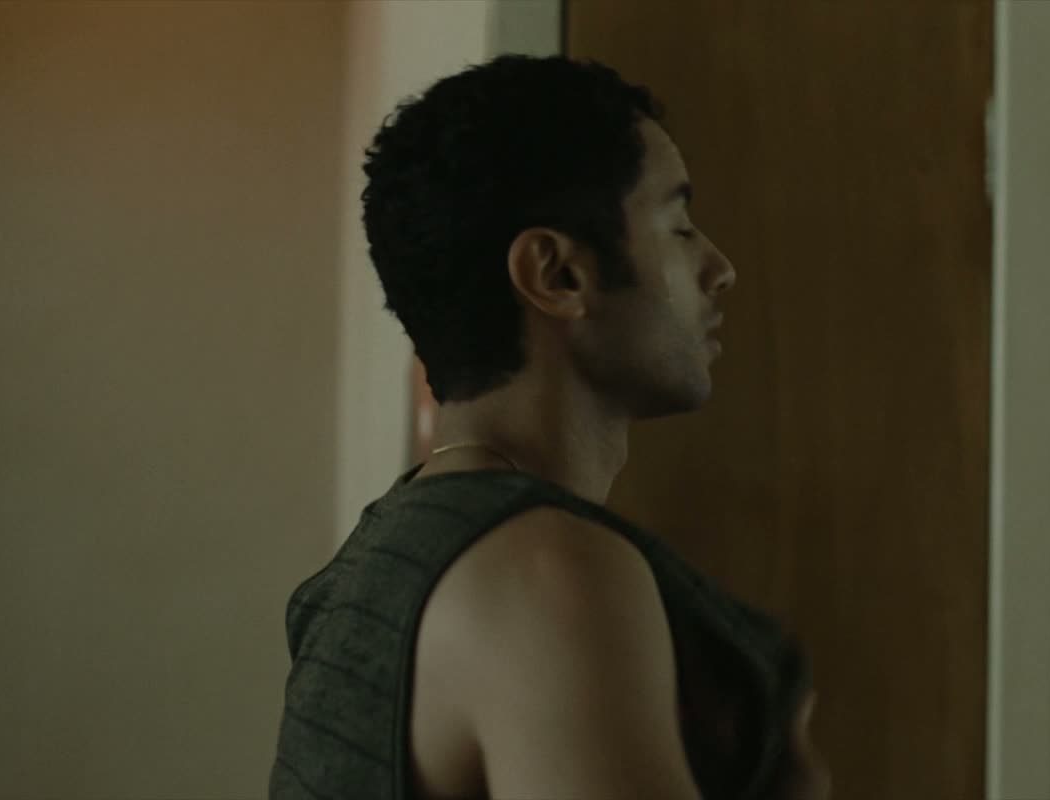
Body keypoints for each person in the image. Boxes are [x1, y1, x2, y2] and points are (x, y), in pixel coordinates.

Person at [268, 55, 828, 800]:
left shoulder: (371, 564)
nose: (719, 268)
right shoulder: (549, 576)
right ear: (556, 274)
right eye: (679, 227)